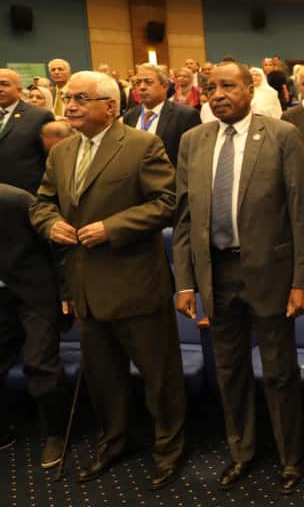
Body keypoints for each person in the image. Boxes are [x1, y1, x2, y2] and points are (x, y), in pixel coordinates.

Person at [29, 71, 186, 490]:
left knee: (159, 377)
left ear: (110, 106)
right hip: (85, 287)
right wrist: (50, 224)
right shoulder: (62, 151)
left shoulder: (141, 145)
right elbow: (42, 203)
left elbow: (168, 201)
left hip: (136, 283)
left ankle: (168, 449)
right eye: (68, 97)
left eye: (81, 98)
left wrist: (112, 228)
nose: (71, 105)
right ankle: (113, 442)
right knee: (104, 379)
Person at [173, 62, 304, 495]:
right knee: (229, 370)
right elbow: (184, 217)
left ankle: (290, 457)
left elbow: (300, 212)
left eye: (227, 86)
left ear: (250, 89)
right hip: (216, 273)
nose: (217, 95)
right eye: (211, 88)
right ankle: (242, 452)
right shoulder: (193, 141)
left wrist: (301, 281)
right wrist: (185, 282)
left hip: (271, 272)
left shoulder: (282, 135)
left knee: (279, 371)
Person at [0, 183, 67, 469]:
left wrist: (66, 293)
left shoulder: (16, 200)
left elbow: (58, 247)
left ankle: (54, 434)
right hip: (1, 298)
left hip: (36, 293)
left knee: (39, 361)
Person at [121, 63, 201, 168]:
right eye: (138, 83)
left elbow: (194, 159)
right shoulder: (130, 116)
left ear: (164, 86)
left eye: (148, 82)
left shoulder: (185, 116)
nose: (142, 87)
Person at [0, 69, 54, 195]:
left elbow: (51, 160)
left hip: (25, 195)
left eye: (5, 84)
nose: (0, 89)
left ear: (19, 90)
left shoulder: (39, 116)